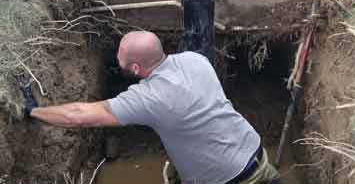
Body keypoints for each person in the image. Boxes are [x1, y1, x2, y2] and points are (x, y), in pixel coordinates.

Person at [24, 31, 281, 184]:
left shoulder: (147, 98)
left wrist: (34, 111)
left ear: (135, 69)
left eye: (120, 56)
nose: (116, 58)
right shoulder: (195, 60)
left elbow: (80, 116)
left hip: (229, 180)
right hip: (256, 153)